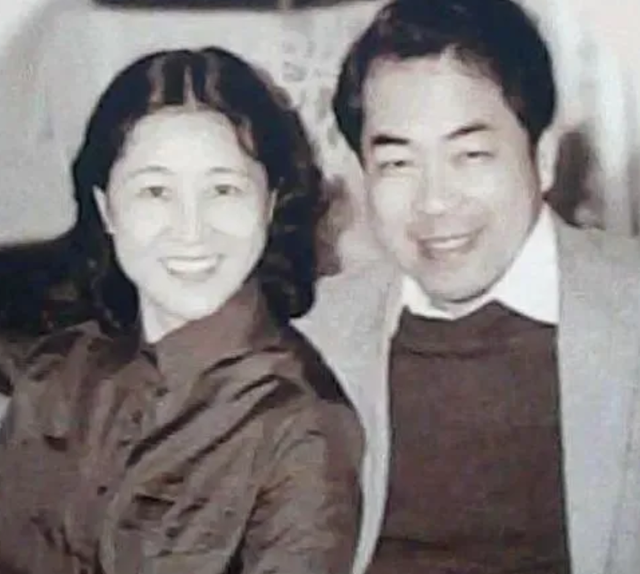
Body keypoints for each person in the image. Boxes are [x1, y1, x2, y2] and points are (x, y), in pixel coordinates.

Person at [294, 0, 640, 572]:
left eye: (470, 155)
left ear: (543, 157)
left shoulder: (627, 313)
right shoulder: (312, 339)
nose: (434, 201)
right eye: (398, 163)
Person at [0, 47, 362, 574]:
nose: (191, 230)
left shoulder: (299, 424)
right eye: (155, 191)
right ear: (106, 209)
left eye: (223, 189)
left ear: (269, 203)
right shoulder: (53, 376)